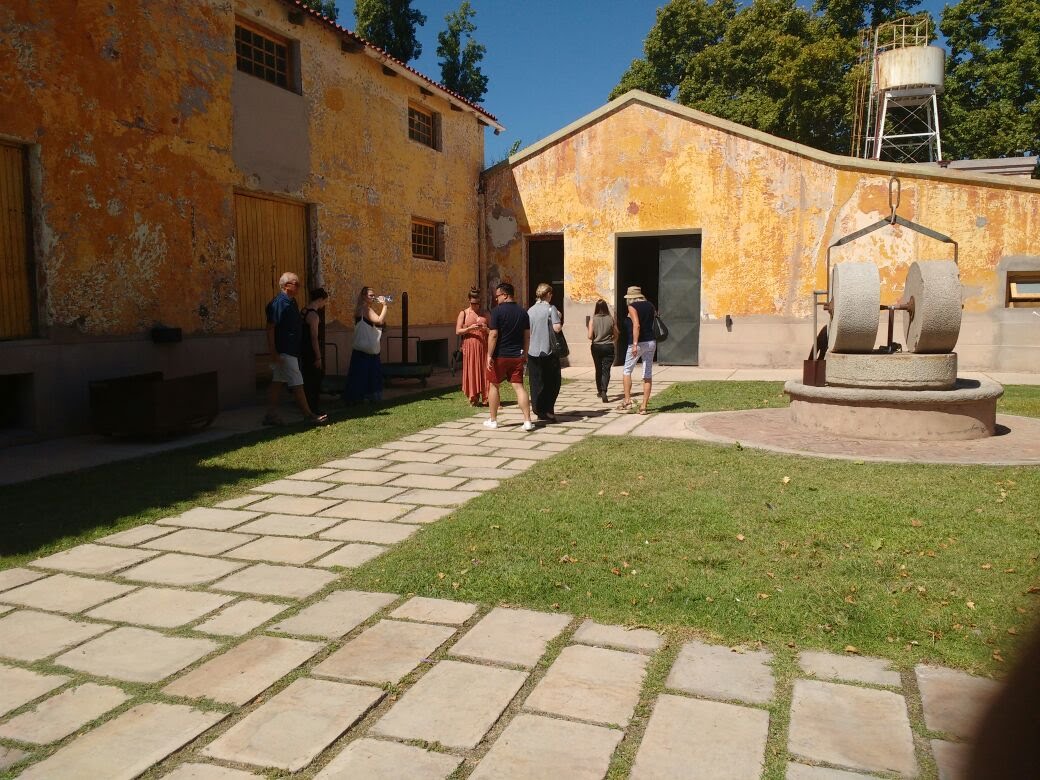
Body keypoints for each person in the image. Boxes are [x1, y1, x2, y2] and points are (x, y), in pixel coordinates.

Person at [263, 272, 328, 426]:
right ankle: (308, 414)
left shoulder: (292, 302)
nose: (299, 286)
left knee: (278, 381)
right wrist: (273, 352)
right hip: (284, 350)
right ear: (286, 286)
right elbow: (270, 328)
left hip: (291, 349)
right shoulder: (279, 303)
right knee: (298, 382)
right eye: (295, 283)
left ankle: (270, 414)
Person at [484, 282, 535, 431]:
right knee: (519, 387)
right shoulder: (523, 312)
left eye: (497, 296)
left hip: (500, 355)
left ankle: (493, 420)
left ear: (505, 295)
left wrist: (489, 355)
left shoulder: (497, 312)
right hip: (517, 355)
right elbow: (527, 336)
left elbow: (493, 334)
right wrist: (525, 354)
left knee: (494, 385)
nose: (496, 299)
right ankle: (527, 421)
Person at [342, 286, 389, 404]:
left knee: (357, 374)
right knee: (370, 374)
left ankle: (355, 397)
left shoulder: (358, 309)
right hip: (368, 349)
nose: (373, 297)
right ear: (364, 296)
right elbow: (379, 321)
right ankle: (370, 396)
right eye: (371, 295)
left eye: (374, 295)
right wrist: (385, 306)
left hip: (359, 348)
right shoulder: (366, 309)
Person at [527, 282, 563, 423]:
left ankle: (537, 408)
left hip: (533, 351)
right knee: (553, 382)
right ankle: (548, 409)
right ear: (548, 294)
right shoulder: (551, 309)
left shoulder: (530, 310)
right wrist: (558, 316)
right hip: (548, 351)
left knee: (536, 382)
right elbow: (557, 328)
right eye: (551, 294)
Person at [618, 285, 657, 415]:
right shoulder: (650, 305)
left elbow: (637, 325)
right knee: (647, 373)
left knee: (627, 370)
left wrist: (635, 344)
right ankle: (644, 407)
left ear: (630, 298)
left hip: (638, 343)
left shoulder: (632, 307)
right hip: (651, 342)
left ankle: (627, 400)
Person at [455, 287, 489, 406]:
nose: (476, 305)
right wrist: (469, 328)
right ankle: (473, 397)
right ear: (469, 301)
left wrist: (486, 329)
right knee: (472, 369)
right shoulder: (463, 313)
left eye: (478, 303)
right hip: (469, 346)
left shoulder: (485, 313)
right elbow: (458, 331)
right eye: (473, 303)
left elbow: (493, 331)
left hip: (483, 346)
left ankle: (486, 397)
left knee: (484, 370)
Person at [300, 287, 329, 416]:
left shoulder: (304, 311)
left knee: (306, 379)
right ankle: (313, 408)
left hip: (303, 350)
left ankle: (307, 406)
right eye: (325, 301)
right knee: (314, 381)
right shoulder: (314, 315)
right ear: (320, 299)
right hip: (311, 351)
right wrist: (318, 357)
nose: (325, 304)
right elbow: (314, 337)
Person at [587, 298, 618, 403]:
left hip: (596, 347)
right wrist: (612, 340)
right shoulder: (611, 319)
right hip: (608, 346)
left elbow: (590, 336)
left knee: (598, 369)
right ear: (605, 307)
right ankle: (604, 390)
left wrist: (596, 337)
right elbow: (616, 334)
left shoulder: (593, 320)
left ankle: (599, 391)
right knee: (606, 369)